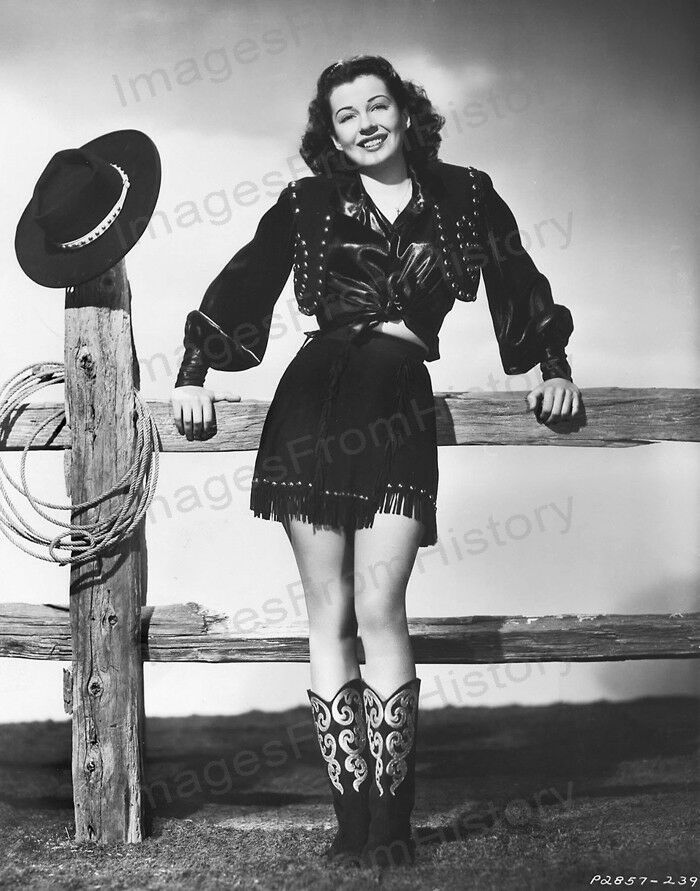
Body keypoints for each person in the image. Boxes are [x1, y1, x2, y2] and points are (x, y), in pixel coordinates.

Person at [170, 54, 580, 868]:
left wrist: (553, 367)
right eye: (345, 114)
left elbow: (516, 278)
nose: (364, 122)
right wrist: (193, 373)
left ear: (405, 110)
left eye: (377, 105)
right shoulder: (308, 201)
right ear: (330, 132)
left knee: (381, 601)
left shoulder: (466, 193)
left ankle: (393, 822)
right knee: (328, 613)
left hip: (396, 398)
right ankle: (349, 822)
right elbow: (246, 281)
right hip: (313, 401)